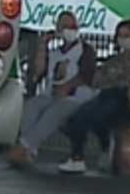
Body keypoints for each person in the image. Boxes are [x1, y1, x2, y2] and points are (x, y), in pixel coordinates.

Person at [7, 11, 97, 166]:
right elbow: (39, 72)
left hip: (75, 97)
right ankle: (30, 150)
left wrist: (67, 87)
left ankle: (24, 146)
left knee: (54, 113)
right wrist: (43, 46)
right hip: (50, 94)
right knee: (31, 108)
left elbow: (87, 74)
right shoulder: (55, 53)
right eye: (65, 26)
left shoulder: (86, 50)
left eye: (72, 25)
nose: (70, 29)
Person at [59, 19, 130, 175]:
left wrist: (110, 78)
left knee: (92, 116)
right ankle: (81, 154)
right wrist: (110, 78)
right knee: (81, 115)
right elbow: (97, 78)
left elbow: (127, 80)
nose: (123, 39)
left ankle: (80, 155)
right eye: (121, 35)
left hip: (123, 100)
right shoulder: (114, 59)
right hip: (106, 95)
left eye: (127, 36)